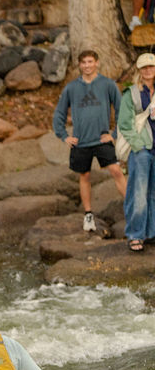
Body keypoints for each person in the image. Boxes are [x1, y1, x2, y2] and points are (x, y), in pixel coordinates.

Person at [52, 49, 127, 234]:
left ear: (97, 63)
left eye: (90, 61)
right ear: (79, 65)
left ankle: (132, 209)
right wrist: (63, 135)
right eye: (84, 62)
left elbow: (121, 111)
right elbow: (59, 114)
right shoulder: (71, 88)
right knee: (84, 176)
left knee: (116, 171)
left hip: (102, 139)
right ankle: (88, 215)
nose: (87, 65)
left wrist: (115, 133)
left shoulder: (108, 84)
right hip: (81, 142)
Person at [118, 52, 155, 253]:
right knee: (138, 193)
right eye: (144, 67)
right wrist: (138, 145)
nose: (148, 70)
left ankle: (150, 233)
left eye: (151, 67)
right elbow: (124, 123)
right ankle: (135, 234)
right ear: (139, 71)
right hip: (140, 149)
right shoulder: (131, 93)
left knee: (153, 194)